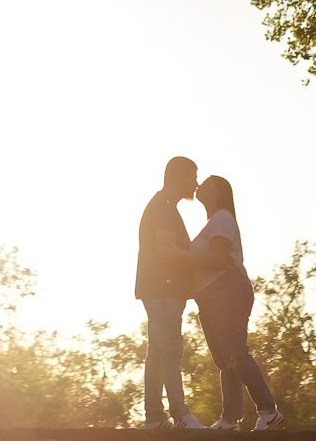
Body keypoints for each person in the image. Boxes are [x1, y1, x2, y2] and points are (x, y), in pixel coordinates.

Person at [190, 174, 282, 431]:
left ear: (218, 192)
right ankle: (230, 419)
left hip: (227, 289)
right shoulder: (213, 222)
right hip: (212, 294)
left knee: (236, 353)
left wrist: (181, 257)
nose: (199, 185)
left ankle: (269, 411)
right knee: (226, 359)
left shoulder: (221, 218)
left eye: (206, 182)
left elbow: (219, 259)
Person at [136, 156, 203, 428]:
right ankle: (181, 414)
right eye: (193, 176)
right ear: (178, 177)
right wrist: (200, 258)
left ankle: (154, 416)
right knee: (170, 351)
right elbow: (167, 253)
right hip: (162, 290)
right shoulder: (163, 208)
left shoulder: (163, 206)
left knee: (157, 352)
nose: (196, 183)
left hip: (158, 289)